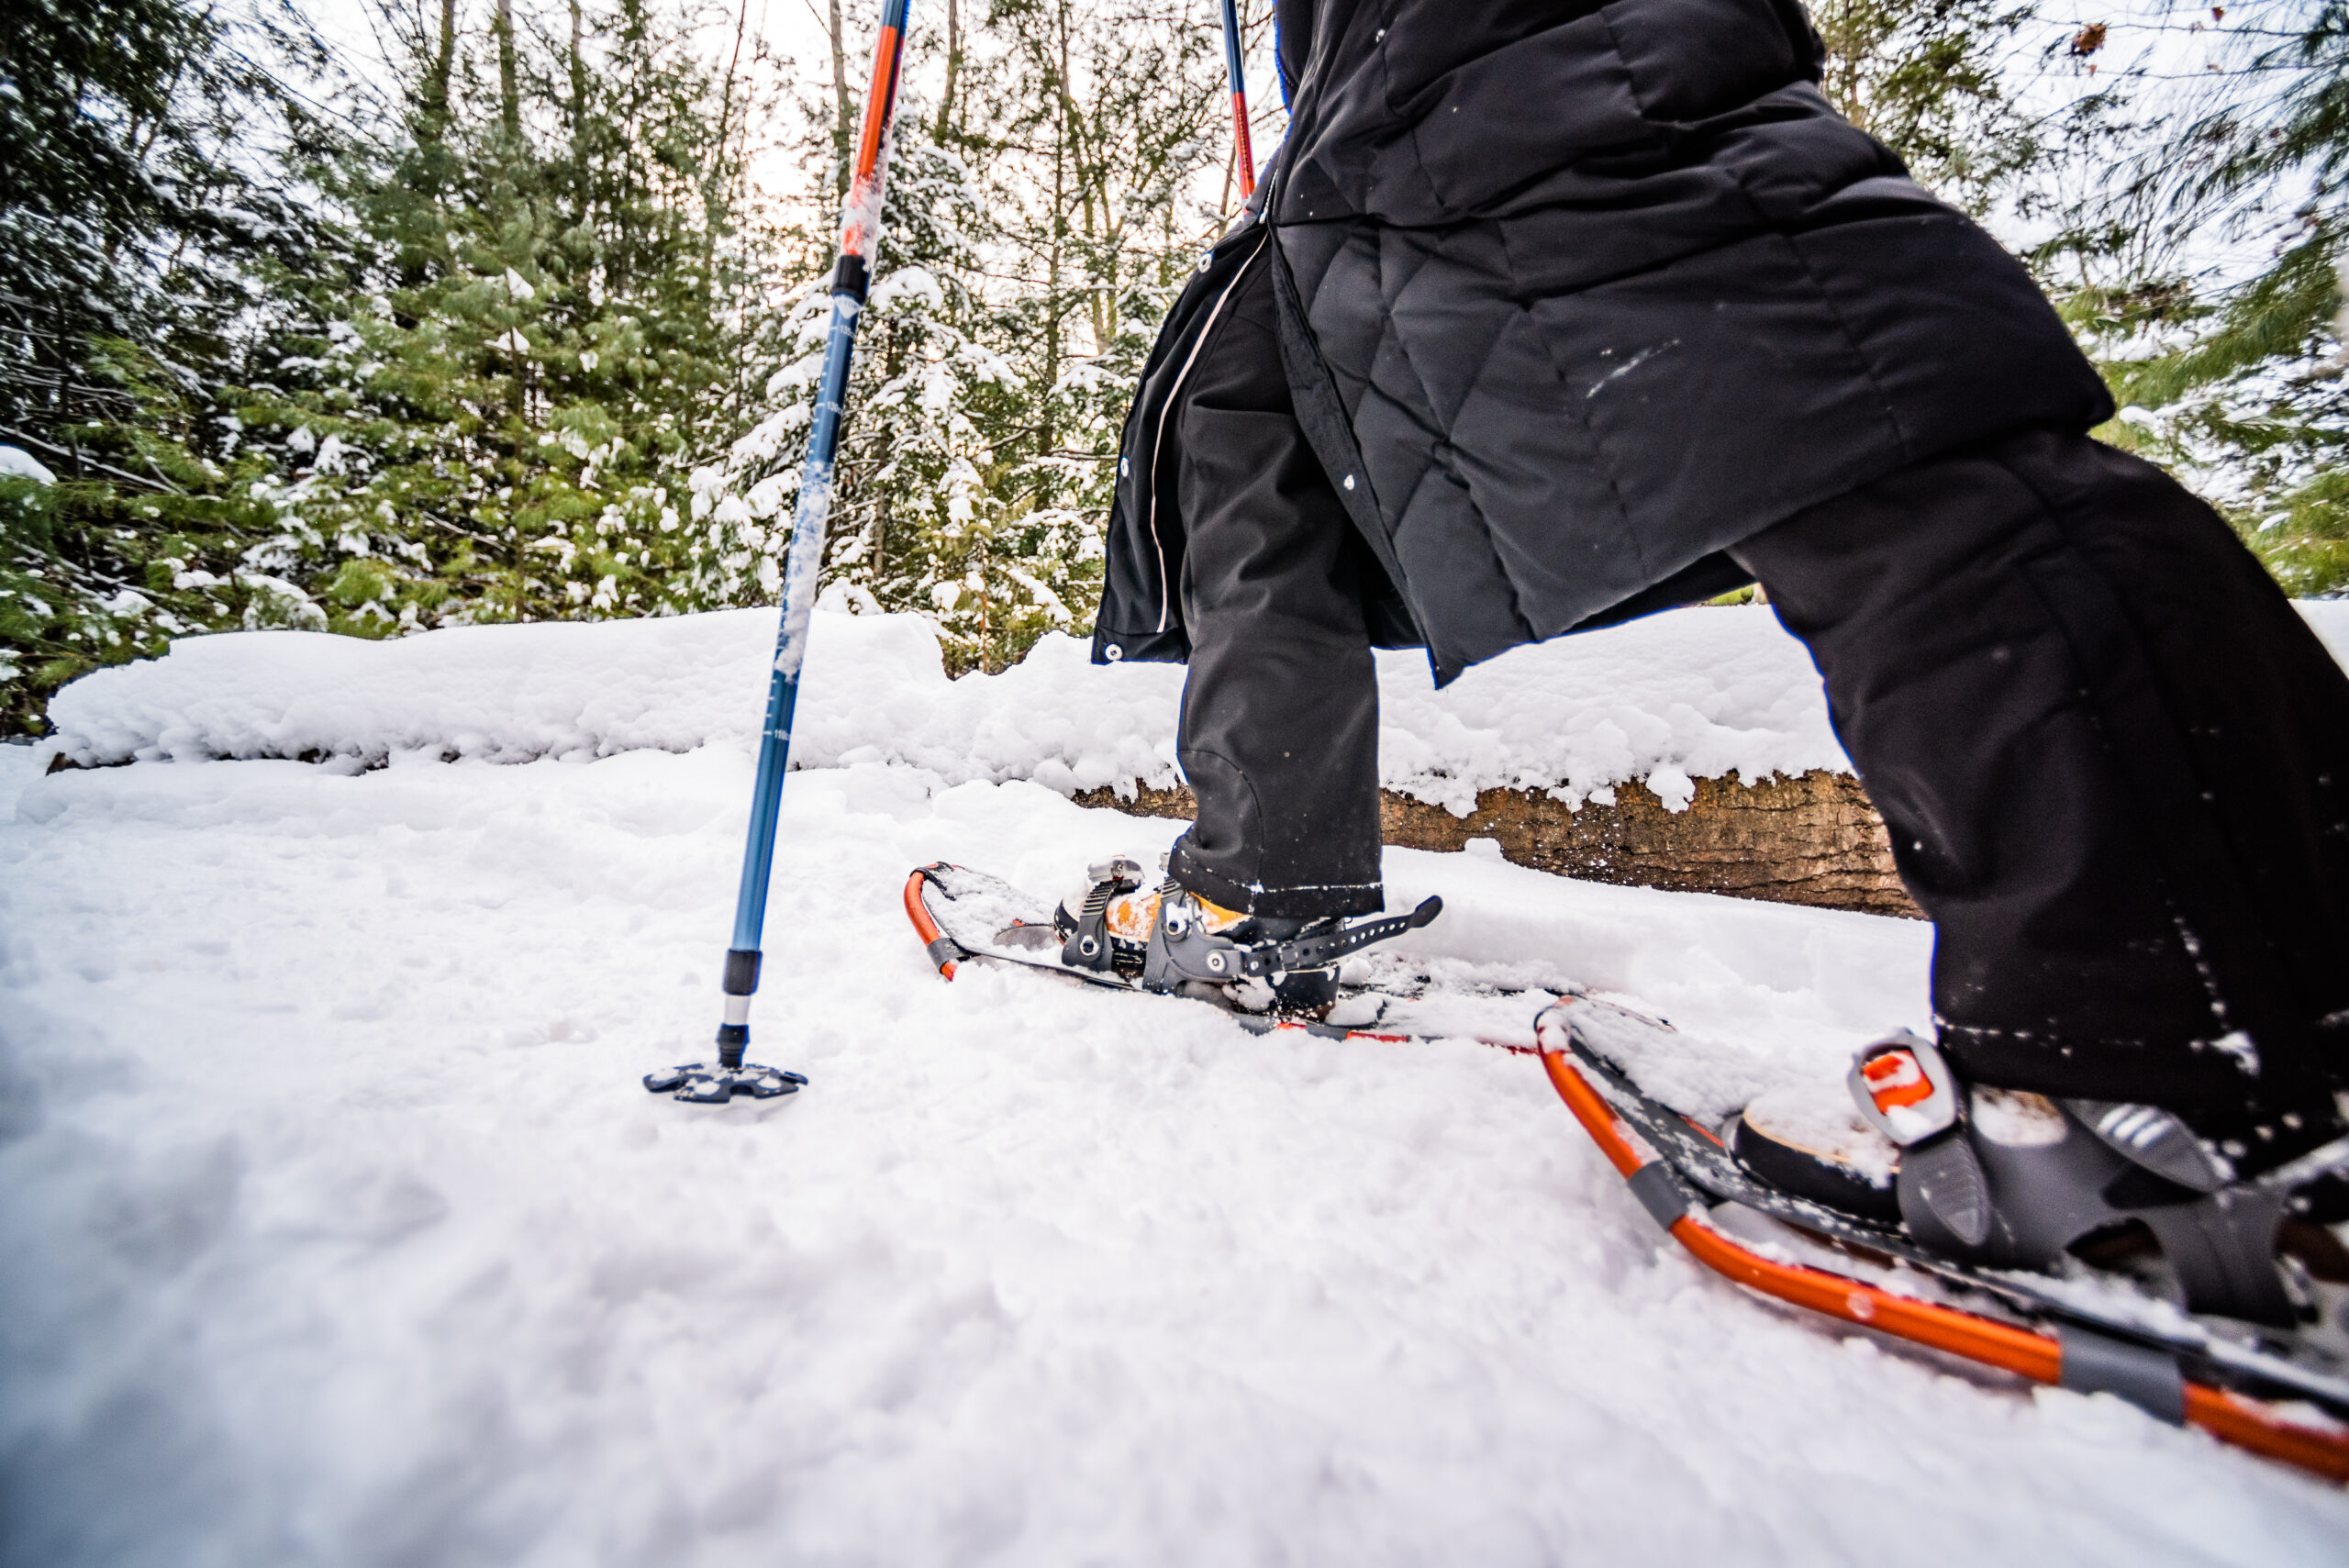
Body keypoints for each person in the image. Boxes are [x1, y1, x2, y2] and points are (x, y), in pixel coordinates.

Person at [1057, 0, 2349, 1305]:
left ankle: (2174, 1053)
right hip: (1366, 104)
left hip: (1514, 43)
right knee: (1236, 409)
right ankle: (1263, 885)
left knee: (1829, 389)